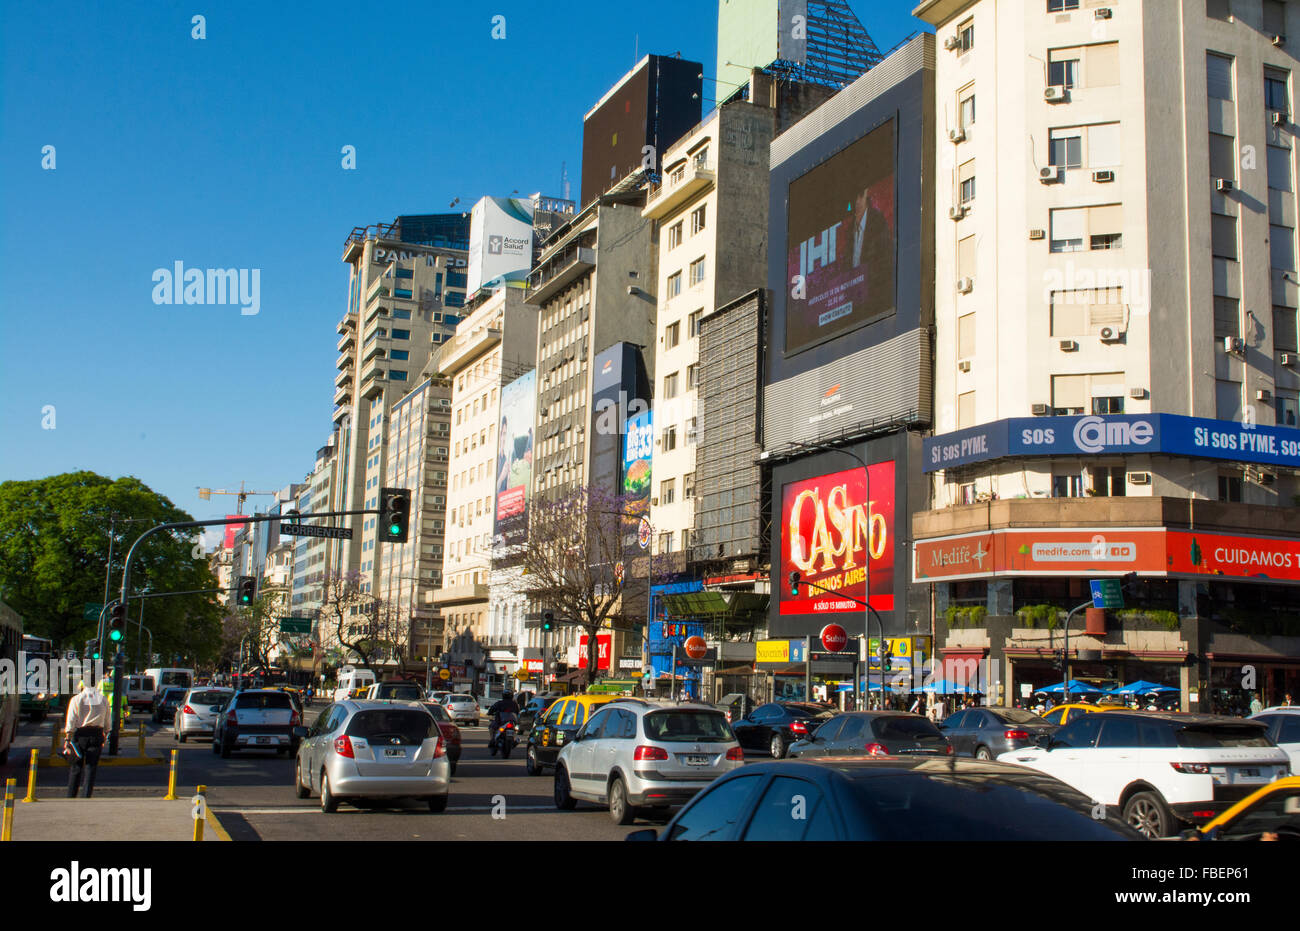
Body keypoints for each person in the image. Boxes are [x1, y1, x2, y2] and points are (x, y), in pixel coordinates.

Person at [64, 679, 111, 798]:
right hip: (96, 734)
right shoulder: (103, 699)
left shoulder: (76, 699)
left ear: (83, 684)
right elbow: (107, 720)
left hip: (80, 735)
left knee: (76, 767)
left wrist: (67, 738)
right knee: (91, 767)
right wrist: (106, 733)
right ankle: (86, 796)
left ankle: (71, 795)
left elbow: (71, 720)